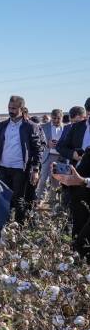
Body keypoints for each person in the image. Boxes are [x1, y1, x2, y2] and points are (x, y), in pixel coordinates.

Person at [0, 95, 43, 224]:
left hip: (20, 169)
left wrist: (36, 169)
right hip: (3, 167)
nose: (10, 110)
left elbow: (37, 149)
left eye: (14, 108)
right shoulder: (3, 125)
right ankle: (2, 225)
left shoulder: (30, 126)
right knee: (1, 197)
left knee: (18, 199)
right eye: (9, 107)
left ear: (22, 109)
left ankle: (19, 227)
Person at [57, 99, 90, 243]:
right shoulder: (76, 127)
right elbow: (61, 147)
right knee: (78, 219)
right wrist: (73, 155)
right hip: (76, 179)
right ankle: (78, 253)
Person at [52, 163, 90, 263]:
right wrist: (67, 181)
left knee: (81, 242)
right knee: (78, 238)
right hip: (80, 197)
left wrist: (83, 181)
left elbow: (81, 179)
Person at [36, 109, 64, 205]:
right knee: (43, 178)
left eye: (58, 118)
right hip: (47, 156)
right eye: (54, 118)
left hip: (60, 157)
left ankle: (52, 200)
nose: (56, 120)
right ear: (51, 117)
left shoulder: (66, 128)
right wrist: (47, 144)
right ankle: (39, 199)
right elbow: (38, 141)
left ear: (62, 118)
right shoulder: (44, 127)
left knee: (56, 181)